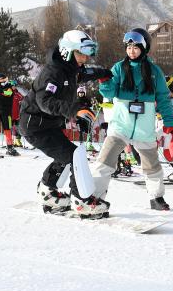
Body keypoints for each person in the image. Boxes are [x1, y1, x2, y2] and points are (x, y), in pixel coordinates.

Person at [18, 30, 112, 217]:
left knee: (65, 157)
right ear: (67, 52)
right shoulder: (53, 73)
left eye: (86, 54)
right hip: (35, 125)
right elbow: (45, 101)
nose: (84, 58)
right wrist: (74, 110)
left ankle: (48, 193)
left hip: (48, 124)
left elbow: (85, 74)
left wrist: (105, 73)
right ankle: (81, 200)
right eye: (80, 53)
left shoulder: (71, 69)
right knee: (73, 156)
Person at [90, 28, 173, 210]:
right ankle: (95, 197)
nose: (131, 51)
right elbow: (110, 92)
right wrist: (104, 82)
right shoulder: (119, 68)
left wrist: (169, 122)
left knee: (152, 166)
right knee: (104, 161)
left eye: (136, 47)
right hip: (121, 125)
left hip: (144, 128)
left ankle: (156, 198)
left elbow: (162, 97)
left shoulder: (154, 71)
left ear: (144, 48)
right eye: (128, 47)